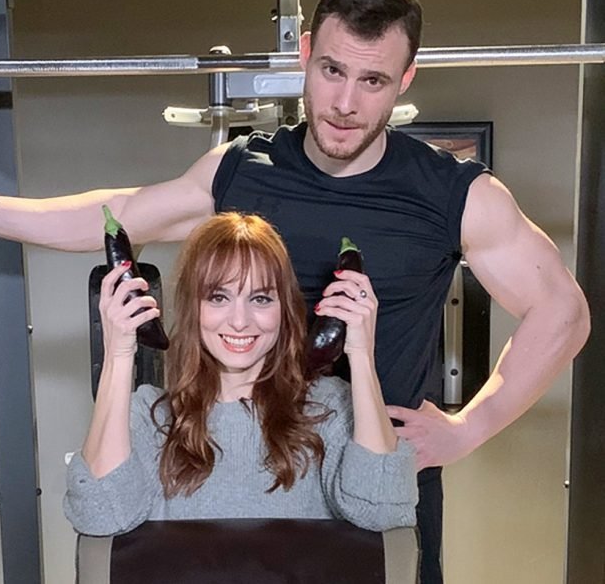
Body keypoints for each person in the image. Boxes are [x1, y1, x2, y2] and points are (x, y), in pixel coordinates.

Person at [0, 0, 590, 582]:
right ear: (305, 54)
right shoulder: (243, 169)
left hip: (374, 489)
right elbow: (123, 212)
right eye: (332, 70)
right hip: (243, 480)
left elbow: (563, 313)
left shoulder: (454, 193)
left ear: (406, 78)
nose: (345, 103)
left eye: (373, 80)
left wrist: (468, 428)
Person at [63, 212, 418, 536]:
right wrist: (119, 353)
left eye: (260, 299)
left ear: (284, 309)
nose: (239, 321)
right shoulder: (150, 416)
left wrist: (362, 355)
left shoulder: (330, 408)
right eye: (218, 297)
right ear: (193, 307)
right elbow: (100, 516)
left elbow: (382, 511)